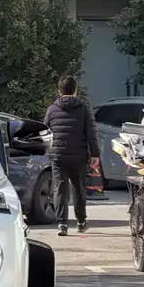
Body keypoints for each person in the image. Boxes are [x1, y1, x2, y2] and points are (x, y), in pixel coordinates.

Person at [42, 75, 100, 236]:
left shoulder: (52, 109)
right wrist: (95, 153)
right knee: (78, 189)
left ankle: (62, 224)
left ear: (59, 91)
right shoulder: (83, 108)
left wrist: (45, 150)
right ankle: (81, 222)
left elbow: (45, 131)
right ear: (75, 90)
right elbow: (91, 132)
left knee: (59, 189)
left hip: (58, 156)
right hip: (79, 155)